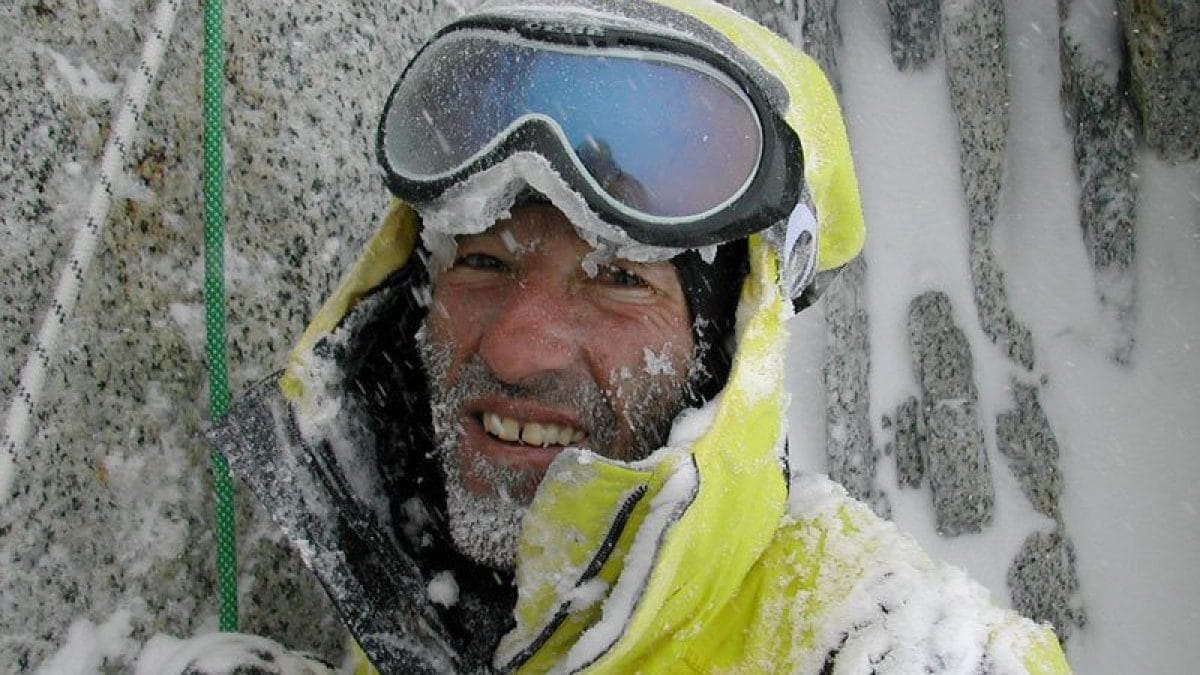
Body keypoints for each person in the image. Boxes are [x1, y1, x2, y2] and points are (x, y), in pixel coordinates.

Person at [201, 0, 1073, 672]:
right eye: (482, 265)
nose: (514, 348)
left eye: (619, 278)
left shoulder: (900, 652)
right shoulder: (410, 580)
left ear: (726, 352)